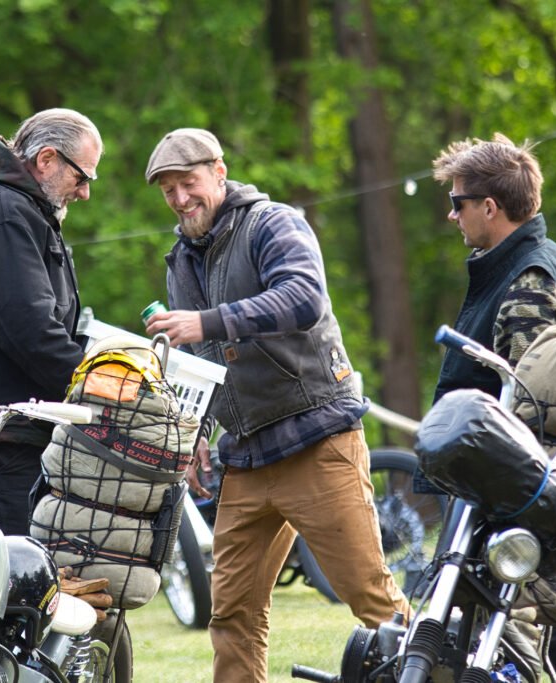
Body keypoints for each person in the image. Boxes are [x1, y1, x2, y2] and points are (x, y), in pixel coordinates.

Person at [143, 128, 410, 682]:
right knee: (231, 615)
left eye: (188, 182)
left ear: (219, 172)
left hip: (317, 440)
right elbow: (198, 360)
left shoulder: (273, 223)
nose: (180, 198)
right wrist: (193, 433)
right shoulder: (181, 260)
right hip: (244, 458)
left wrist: (208, 321)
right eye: (168, 190)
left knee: (371, 598)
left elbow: (303, 297)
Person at [430, 132, 556, 683]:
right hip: (528, 481)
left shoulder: (529, 279)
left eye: (458, 203)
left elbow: (528, 405)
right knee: (550, 627)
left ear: (490, 207)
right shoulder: (539, 260)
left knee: (505, 625)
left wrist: (500, 491)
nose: (452, 215)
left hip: (517, 483)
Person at [0, 108, 103, 535]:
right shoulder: (1, 214)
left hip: (15, 438)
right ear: (47, 159)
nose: (84, 193)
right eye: (82, 177)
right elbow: (31, 332)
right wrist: (103, 388)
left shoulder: (20, 211)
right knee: (11, 574)